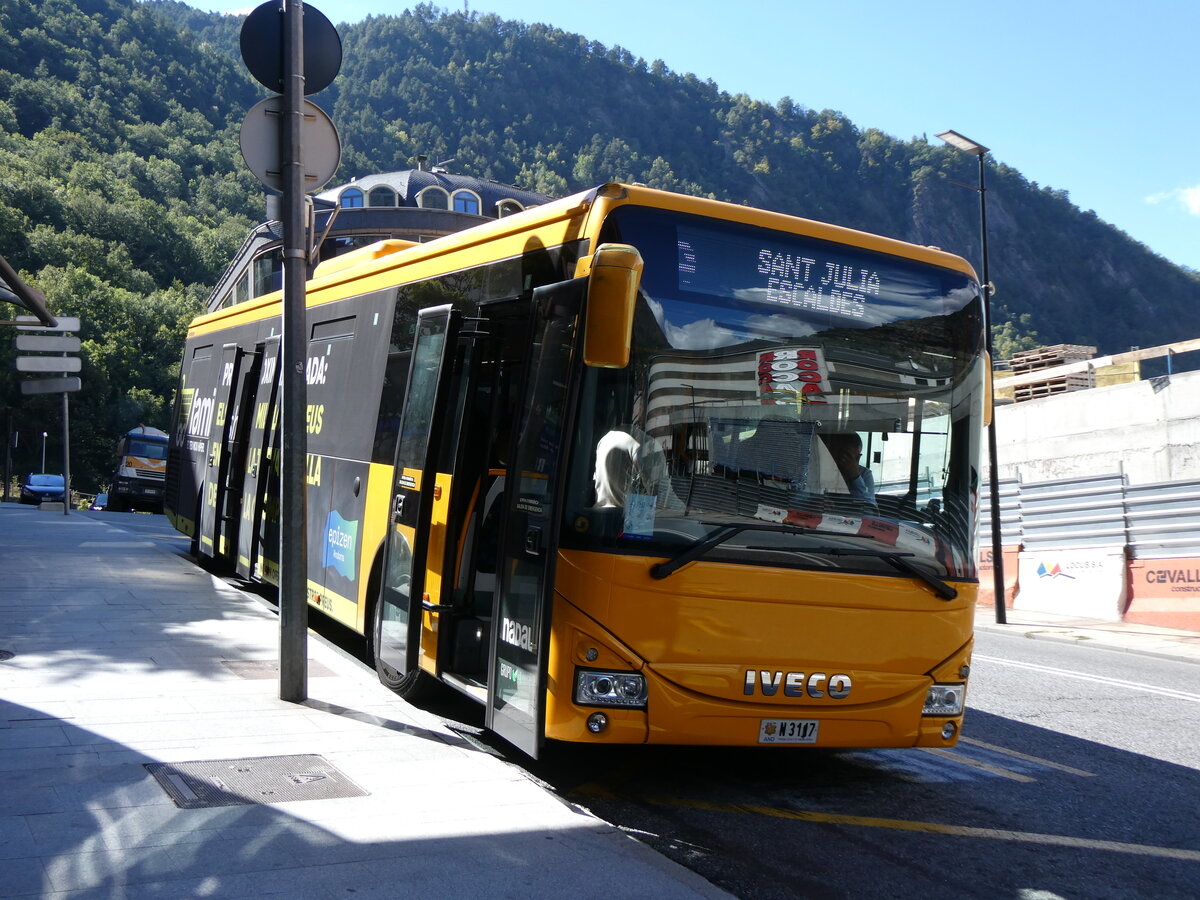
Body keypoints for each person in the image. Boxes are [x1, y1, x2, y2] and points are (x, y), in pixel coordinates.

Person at [822, 432, 876, 505]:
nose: (842, 460)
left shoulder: (865, 474)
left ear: (858, 458)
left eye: (847, 457)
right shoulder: (823, 470)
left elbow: (870, 508)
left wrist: (855, 477)